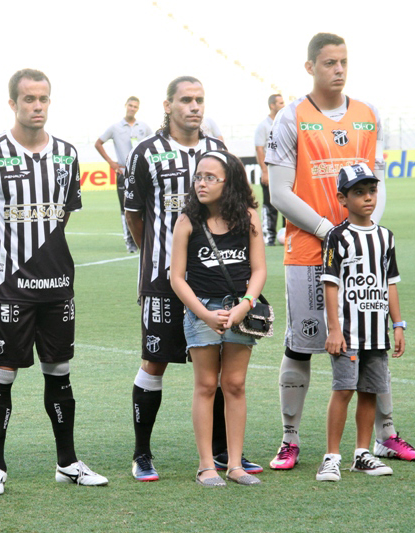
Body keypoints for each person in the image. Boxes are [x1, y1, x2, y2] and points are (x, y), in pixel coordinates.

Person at [266, 32, 415, 469]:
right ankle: (290, 439)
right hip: (308, 251)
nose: (338, 70)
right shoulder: (290, 117)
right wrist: (331, 232)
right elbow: (279, 192)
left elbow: (377, 181)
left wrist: (364, 233)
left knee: (373, 344)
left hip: (362, 254)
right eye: (329, 63)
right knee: (302, 345)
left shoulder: (368, 114)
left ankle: (386, 436)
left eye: (343, 62)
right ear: (310, 67)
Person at [0, 68, 108, 495]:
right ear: (13, 104)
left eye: (43, 98)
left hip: (57, 284)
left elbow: (61, 217)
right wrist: (3, 260)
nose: (37, 106)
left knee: (59, 372)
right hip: (8, 288)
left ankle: (67, 463)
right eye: (29, 99)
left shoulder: (66, 155)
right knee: (2, 374)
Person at [124, 76, 261, 482]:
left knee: (219, 370)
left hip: (217, 283)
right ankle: (142, 453)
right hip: (163, 279)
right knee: (155, 361)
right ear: (168, 105)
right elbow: (134, 215)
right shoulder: (145, 153)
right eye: (186, 100)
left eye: (200, 99)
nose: (194, 106)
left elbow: (237, 208)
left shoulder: (218, 149)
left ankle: (223, 452)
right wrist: (160, 257)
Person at [170, 150, 266, 486]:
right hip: (202, 311)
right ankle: (206, 465)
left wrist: (245, 305)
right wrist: (204, 314)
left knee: (235, 385)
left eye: (210, 178)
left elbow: (259, 270)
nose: (201, 183)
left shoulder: (249, 218)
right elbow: (176, 278)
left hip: (240, 309)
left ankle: (235, 465)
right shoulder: (187, 221)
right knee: (207, 385)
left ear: (230, 183)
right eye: (198, 177)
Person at [316, 163, 404, 482]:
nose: (368, 197)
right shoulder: (337, 237)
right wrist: (334, 330)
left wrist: (398, 324)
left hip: (377, 333)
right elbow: (330, 284)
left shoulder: (385, 237)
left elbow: (390, 283)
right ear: (343, 198)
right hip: (348, 333)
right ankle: (331, 456)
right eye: (359, 192)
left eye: (372, 191)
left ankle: (362, 454)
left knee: (370, 391)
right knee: (344, 389)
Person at [95, 97, 153, 253]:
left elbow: (154, 144)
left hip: (143, 173)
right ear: (125, 106)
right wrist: (111, 163)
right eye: (130, 105)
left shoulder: (144, 127)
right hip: (123, 172)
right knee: (126, 208)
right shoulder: (115, 127)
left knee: (146, 206)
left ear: (138, 109)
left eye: (135, 106)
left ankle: (147, 237)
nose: (132, 108)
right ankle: (130, 242)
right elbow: (98, 143)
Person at [254, 94, 285, 246]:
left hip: (285, 171)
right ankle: (269, 236)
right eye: (280, 103)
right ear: (272, 105)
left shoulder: (286, 123)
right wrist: (265, 171)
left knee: (288, 203)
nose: (284, 105)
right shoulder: (263, 126)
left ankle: (288, 233)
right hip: (270, 172)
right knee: (269, 205)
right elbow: (259, 149)